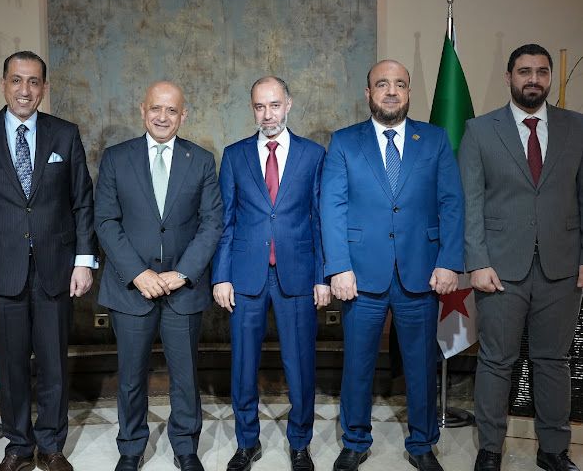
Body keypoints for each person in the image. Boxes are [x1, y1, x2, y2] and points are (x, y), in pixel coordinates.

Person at [0, 51, 96, 471]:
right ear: (3, 84)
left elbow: (82, 202)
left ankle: (51, 446)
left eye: (33, 81)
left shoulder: (64, 134)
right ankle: (18, 447)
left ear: (44, 88)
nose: (25, 90)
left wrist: (84, 260)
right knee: (11, 367)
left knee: (53, 365)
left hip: (56, 269)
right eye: (16, 80)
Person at [320, 60, 464, 471]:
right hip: (360, 275)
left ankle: (422, 445)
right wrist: (338, 267)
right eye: (382, 84)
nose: (391, 91)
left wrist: (449, 261)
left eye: (399, 84)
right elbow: (332, 206)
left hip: (422, 271)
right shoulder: (345, 142)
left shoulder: (434, 139)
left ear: (408, 92)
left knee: (421, 366)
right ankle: (355, 441)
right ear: (368, 92)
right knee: (358, 365)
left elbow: (452, 202)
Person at [460, 43, 583, 471]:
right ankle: (490, 449)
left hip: (562, 266)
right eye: (525, 71)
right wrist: (477, 262)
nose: (534, 79)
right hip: (499, 268)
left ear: (549, 78)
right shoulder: (479, 130)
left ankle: (553, 450)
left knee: (554, 361)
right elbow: (470, 202)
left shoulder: (577, 127)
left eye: (542, 72)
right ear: (509, 77)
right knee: (496, 361)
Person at [95, 81, 222, 471]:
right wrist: (138, 274)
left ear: (184, 115)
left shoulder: (202, 160)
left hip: (183, 289)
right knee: (131, 377)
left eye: (171, 110)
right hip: (131, 289)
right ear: (142, 109)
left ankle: (185, 447)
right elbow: (105, 221)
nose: (162, 117)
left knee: (185, 376)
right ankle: (131, 448)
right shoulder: (116, 158)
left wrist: (182, 273)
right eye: (155, 108)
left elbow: (212, 224)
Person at [212, 76, 330, 471]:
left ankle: (300, 444)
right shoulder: (234, 155)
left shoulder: (313, 155)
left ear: (289, 104)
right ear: (253, 109)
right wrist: (221, 276)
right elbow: (225, 221)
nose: (267, 114)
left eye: (274, 105)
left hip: (297, 274)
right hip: (246, 275)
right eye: (260, 106)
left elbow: (319, 219)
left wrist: (322, 276)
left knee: (301, 366)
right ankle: (247, 443)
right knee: (243, 366)